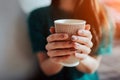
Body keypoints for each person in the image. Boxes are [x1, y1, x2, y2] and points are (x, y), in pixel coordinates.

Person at [28, 0, 113, 80]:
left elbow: (92, 68)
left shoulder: (100, 14)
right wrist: (58, 57)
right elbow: (46, 70)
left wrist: (82, 56)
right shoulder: (38, 16)